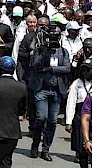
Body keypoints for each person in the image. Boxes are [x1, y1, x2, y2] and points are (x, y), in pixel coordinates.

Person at [28, 23, 70, 161]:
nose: (53, 40)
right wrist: (44, 53)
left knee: (52, 121)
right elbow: (34, 65)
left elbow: (66, 68)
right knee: (41, 117)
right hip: (42, 89)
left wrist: (51, 69)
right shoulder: (40, 50)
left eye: (56, 37)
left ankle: (45, 149)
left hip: (56, 91)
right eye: (51, 37)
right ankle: (35, 145)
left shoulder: (63, 52)